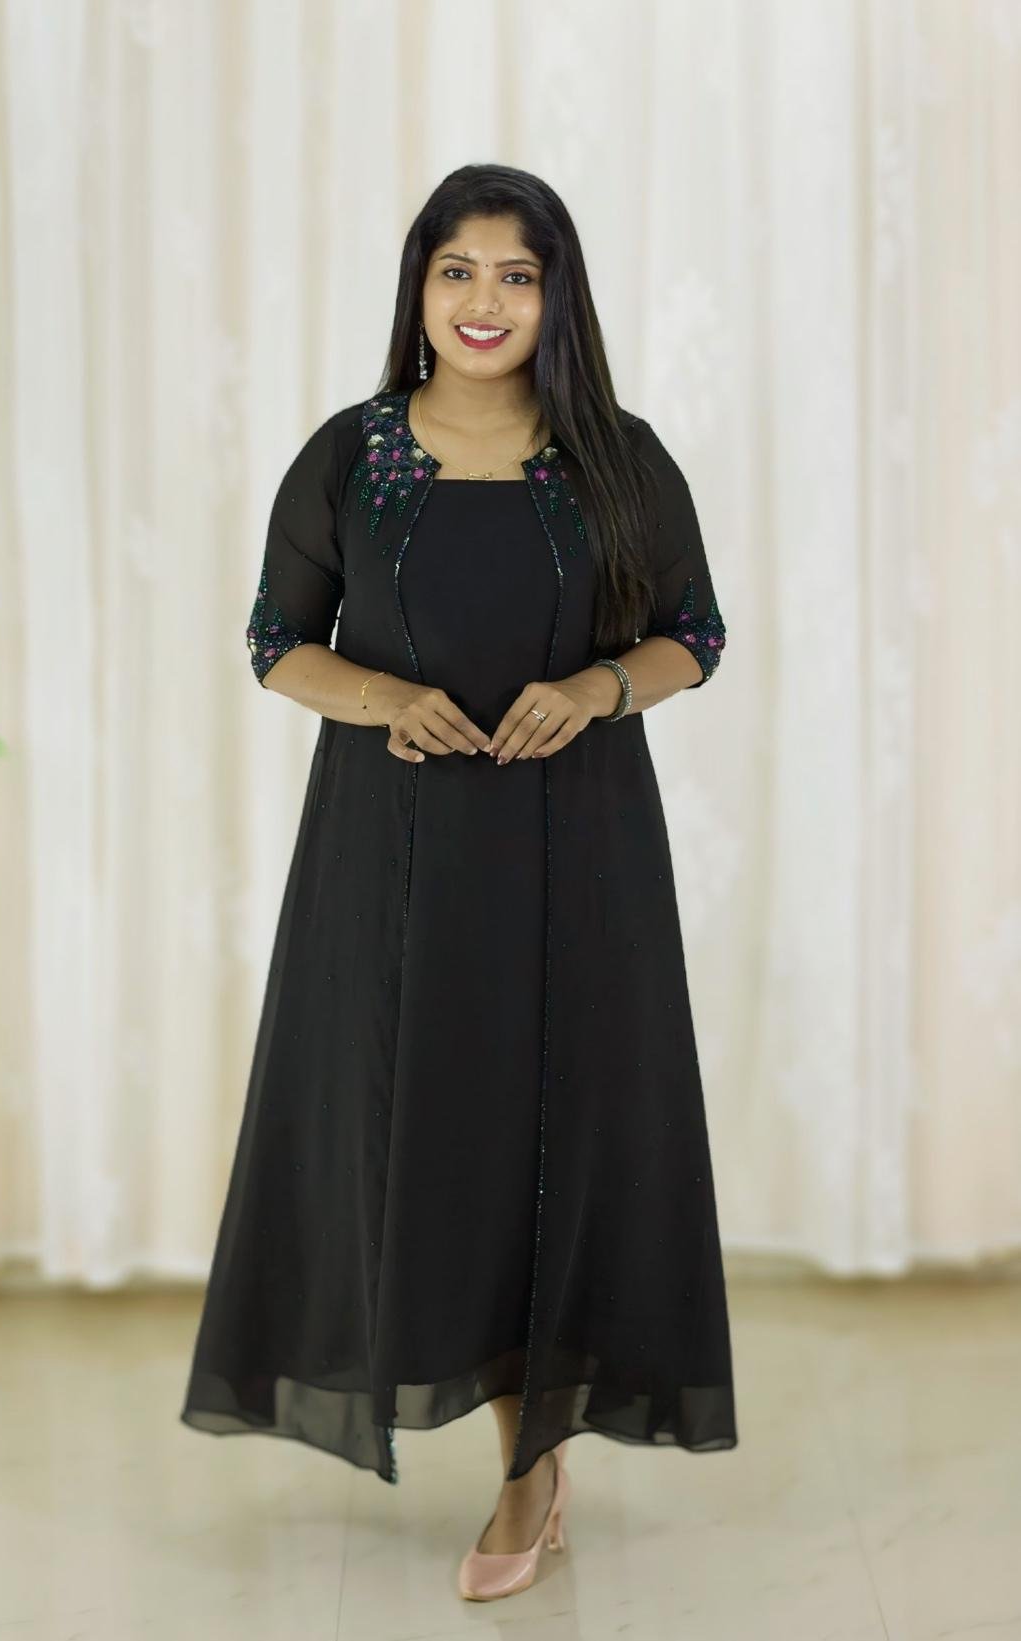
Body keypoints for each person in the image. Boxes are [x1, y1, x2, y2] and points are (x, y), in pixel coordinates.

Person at [179, 161, 737, 1604]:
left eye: (518, 275)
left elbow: (694, 633)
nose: (485, 301)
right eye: (458, 270)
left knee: (556, 1139)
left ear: (558, 298)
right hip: (395, 856)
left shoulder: (617, 455)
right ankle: (505, 1440)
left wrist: (600, 687)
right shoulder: (350, 456)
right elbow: (276, 641)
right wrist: (384, 698)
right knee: (433, 1138)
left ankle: (531, 1467)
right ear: (419, 287)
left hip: (577, 850)